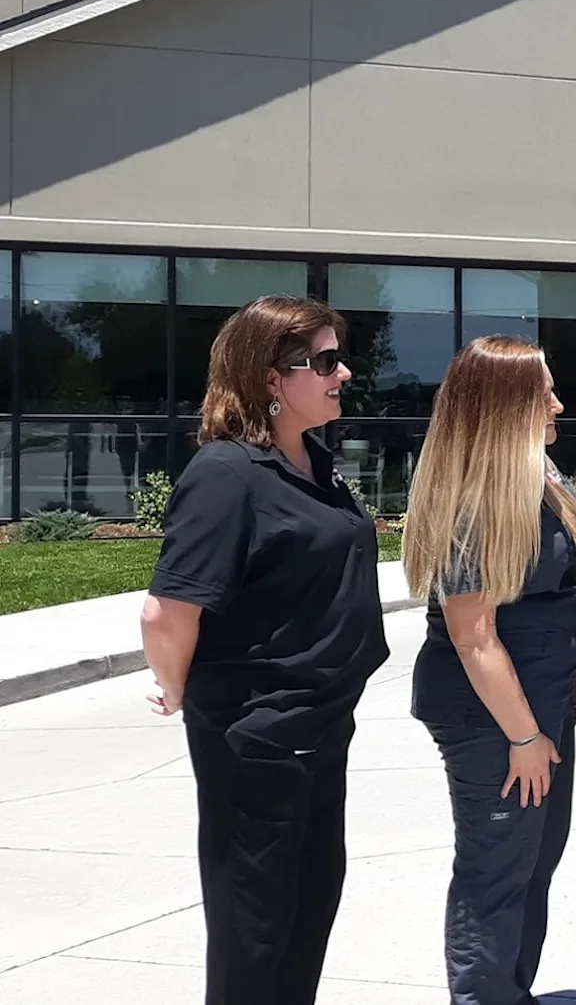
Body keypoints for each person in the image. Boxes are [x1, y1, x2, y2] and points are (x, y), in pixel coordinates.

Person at [138, 295, 388, 1005]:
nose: (344, 374)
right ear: (271, 377)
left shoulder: (315, 461)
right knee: (256, 933)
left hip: (322, 729)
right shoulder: (226, 474)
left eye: (341, 358)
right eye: (326, 361)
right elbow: (167, 610)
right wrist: (183, 691)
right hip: (258, 740)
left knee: (308, 915)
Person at [405, 336, 576, 1005]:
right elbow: (473, 633)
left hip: (535, 705)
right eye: (544, 393)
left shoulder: (535, 472)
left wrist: (562, 681)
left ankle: (511, 991)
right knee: (497, 871)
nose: (558, 404)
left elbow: (545, 594)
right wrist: (521, 735)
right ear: (507, 405)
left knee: (534, 861)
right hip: (495, 720)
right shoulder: (476, 496)